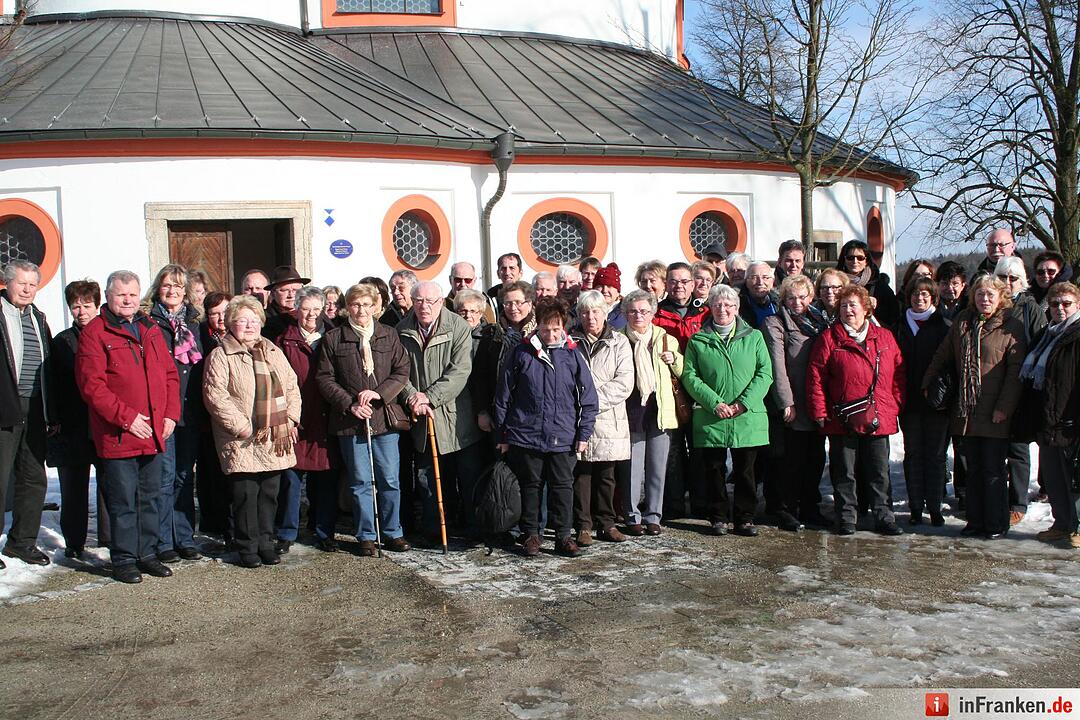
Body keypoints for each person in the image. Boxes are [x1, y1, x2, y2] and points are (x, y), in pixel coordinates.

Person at [76, 270, 180, 583]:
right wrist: (127, 418)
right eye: (121, 294)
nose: (128, 300)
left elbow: (170, 375)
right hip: (119, 434)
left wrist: (170, 416)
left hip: (154, 432)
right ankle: (123, 559)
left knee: (150, 497)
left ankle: (147, 554)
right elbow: (92, 386)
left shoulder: (149, 329)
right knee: (122, 501)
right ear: (107, 296)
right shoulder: (95, 332)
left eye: (133, 294)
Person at [494, 297, 599, 558]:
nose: (550, 334)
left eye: (556, 329)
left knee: (563, 487)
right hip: (526, 434)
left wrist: (583, 433)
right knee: (531, 485)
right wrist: (503, 433)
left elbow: (588, 397)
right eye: (545, 328)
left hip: (564, 435)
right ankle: (531, 534)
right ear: (537, 326)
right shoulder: (521, 352)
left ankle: (564, 536)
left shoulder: (573, 354)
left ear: (563, 327)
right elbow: (503, 395)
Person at [924, 274, 1026, 539]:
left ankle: (996, 523)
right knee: (972, 470)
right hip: (966, 410)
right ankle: (976, 520)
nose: (984, 299)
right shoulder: (962, 323)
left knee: (993, 470)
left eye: (990, 295)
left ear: (1001, 297)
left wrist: (1004, 407)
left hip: (994, 410)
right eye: (980, 294)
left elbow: (1015, 373)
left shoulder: (1011, 326)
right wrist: (927, 382)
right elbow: (943, 354)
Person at [203, 295, 301, 568]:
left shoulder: (271, 350)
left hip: (272, 436)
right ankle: (247, 547)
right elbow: (215, 396)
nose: (249, 326)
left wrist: (291, 419)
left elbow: (291, 385)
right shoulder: (221, 355)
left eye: (254, 320)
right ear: (231, 324)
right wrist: (241, 426)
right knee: (246, 495)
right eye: (242, 320)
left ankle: (266, 543)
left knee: (269, 493)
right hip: (242, 439)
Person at [317, 283, 412, 555]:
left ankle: (393, 532)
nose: (361, 310)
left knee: (389, 479)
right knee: (360, 482)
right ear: (349, 307)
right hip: (350, 421)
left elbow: (401, 371)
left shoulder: (388, 335)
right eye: (356, 304)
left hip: (383, 419)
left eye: (367, 305)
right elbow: (325, 378)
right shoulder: (335, 338)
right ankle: (366, 535)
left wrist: (379, 394)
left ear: (376, 307)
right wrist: (349, 404)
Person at [807, 284, 905, 536]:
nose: (848, 310)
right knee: (844, 472)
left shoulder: (884, 338)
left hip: (878, 415)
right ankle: (847, 516)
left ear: (866, 308)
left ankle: (884, 515)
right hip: (842, 417)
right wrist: (819, 410)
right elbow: (816, 376)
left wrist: (895, 403)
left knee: (878, 472)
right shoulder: (829, 338)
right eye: (843, 306)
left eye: (853, 305)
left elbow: (899, 373)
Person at [681, 284, 773, 537]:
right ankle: (718, 517)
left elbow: (764, 374)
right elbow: (690, 376)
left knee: (746, 471)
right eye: (718, 304)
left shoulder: (753, 337)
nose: (723, 309)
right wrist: (714, 403)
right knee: (714, 470)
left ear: (737, 308)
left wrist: (743, 403)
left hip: (746, 415)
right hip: (712, 415)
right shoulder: (698, 339)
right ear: (710, 306)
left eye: (729, 305)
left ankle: (745, 518)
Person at [397, 281, 484, 541]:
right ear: (412, 301)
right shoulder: (402, 330)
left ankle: (472, 528)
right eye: (419, 301)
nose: (424, 307)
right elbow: (399, 372)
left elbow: (460, 371)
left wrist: (430, 397)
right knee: (429, 480)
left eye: (431, 301)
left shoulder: (457, 326)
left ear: (441, 302)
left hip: (457, 418)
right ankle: (435, 529)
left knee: (467, 477)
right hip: (422, 417)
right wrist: (414, 397)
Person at [144, 264, 205, 563]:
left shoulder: (195, 322)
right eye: (167, 285)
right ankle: (163, 540)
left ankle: (184, 537)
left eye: (178, 286)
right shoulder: (148, 321)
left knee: (184, 476)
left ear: (186, 291)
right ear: (158, 288)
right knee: (165, 477)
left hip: (190, 411)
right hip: (163, 411)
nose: (172, 291)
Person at [761, 274, 830, 531]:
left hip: (816, 400)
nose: (797, 302)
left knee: (815, 458)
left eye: (802, 297)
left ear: (811, 298)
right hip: (793, 402)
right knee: (791, 459)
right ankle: (786, 508)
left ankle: (811, 507)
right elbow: (777, 366)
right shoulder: (775, 323)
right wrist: (785, 402)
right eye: (791, 298)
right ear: (784, 299)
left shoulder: (819, 321)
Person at [48, 279, 110, 559]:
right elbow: (54, 382)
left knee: (109, 482)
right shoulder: (62, 341)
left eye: (87, 305)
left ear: (97, 306)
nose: (82, 311)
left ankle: (111, 537)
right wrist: (55, 417)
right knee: (73, 486)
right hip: (72, 423)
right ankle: (74, 541)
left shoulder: (110, 333)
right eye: (76, 306)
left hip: (104, 420)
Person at [0, 260, 55, 569]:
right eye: (21, 283)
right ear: (7, 283)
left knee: (34, 478)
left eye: (32, 284)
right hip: (5, 407)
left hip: (36, 408)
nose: (27, 289)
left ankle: (22, 542)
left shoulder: (38, 317)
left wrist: (52, 412)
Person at [275, 286, 336, 554]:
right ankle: (286, 532)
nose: (311, 314)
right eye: (306, 308)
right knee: (290, 479)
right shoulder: (283, 340)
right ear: (296, 310)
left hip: (325, 416)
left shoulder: (333, 336)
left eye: (316, 308)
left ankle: (324, 530)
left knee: (325, 479)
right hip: (295, 417)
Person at [570, 291, 633, 545]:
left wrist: (591, 402)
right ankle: (583, 526)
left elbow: (625, 382)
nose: (590, 317)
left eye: (595, 311)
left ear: (605, 313)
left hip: (609, 419)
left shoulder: (619, 342)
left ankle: (606, 523)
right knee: (581, 475)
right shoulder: (570, 341)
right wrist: (580, 403)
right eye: (585, 312)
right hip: (576, 419)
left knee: (607, 475)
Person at [620, 290, 683, 535]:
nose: (639, 315)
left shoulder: (665, 339)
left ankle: (654, 515)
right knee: (632, 468)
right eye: (633, 311)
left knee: (658, 466)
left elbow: (682, 371)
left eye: (644, 311)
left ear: (653, 313)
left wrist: (674, 359)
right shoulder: (619, 338)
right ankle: (632, 515)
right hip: (632, 409)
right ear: (625, 313)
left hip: (659, 408)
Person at [1023, 282, 1080, 549]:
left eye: (1066, 304)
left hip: (1071, 419)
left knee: (1074, 477)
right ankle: (1061, 524)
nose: (1059, 309)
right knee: (1055, 476)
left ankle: (1077, 527)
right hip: (1048, 417)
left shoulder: (1076, 335)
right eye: (1055, 304)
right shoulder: (1047, 334)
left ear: (1077, 305)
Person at [995, 255, 1046, 523]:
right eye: (1003, 276)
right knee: (993, 446)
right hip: (992, 384)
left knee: (1017, 447)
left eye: (1013, 278)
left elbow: (1039, 344)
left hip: (1021, 385)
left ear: (1022, 281)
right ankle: (992, 499)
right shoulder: (990, 303)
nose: (1008, 282)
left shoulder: (1030, 307)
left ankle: (1018, 502)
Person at [896, 277, 950, 526]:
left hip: (937, 402)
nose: (920, 299)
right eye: (916, 295)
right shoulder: (899, 326)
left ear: (933, 299)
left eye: (925, 295)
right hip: (909, 402)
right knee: (913, 454)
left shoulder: (943, 326)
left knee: (936, 456)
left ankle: (935, 507)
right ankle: (916, 507)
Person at [196, 291, 233, 542]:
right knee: (210, 471)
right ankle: (213, 522)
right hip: (206, 415)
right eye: (214, 313)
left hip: (236, 416)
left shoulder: (242, 333)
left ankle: (231, 522)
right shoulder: (200, 336)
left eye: (224, 312)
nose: (220, 318)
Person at [454, 288, 505, 437]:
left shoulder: (490, 336)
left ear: (481, 313)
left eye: (473, 311)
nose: (468, 315)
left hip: (484, 405)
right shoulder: (451, 336)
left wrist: (483, 410)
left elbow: (486, 377)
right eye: (463, 311)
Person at [836, 239, 899, 329]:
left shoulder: (879, 286)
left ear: (866, 261)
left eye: (860, 258)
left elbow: (893, 315)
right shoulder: (836, 284)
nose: (855, 261)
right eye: (850, 257)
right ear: (844, 260)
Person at [654, 262, 707, 351]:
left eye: (684, 282)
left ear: (692, 285)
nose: (679, 286)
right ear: (666, 285)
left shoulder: (705, 313)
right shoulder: (655, 313)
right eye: (673, 282)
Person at [262, 265, 310, 340]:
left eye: (295, 290)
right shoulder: (264, 320)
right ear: (273, 293)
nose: (291, 295)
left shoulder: (314, 315)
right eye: (284, 290)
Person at [739, 261, 779, 329]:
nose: (760, 282)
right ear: (746, 281)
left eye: (765, 277)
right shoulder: (738, 305)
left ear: (772, 281)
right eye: (754, 277)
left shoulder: (780, 303)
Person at [593, 263, 625, 330]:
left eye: (609, 286)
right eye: (600, 286)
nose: (605, 290)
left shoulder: (627, 312)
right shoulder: (585, 310)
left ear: (617, 292)